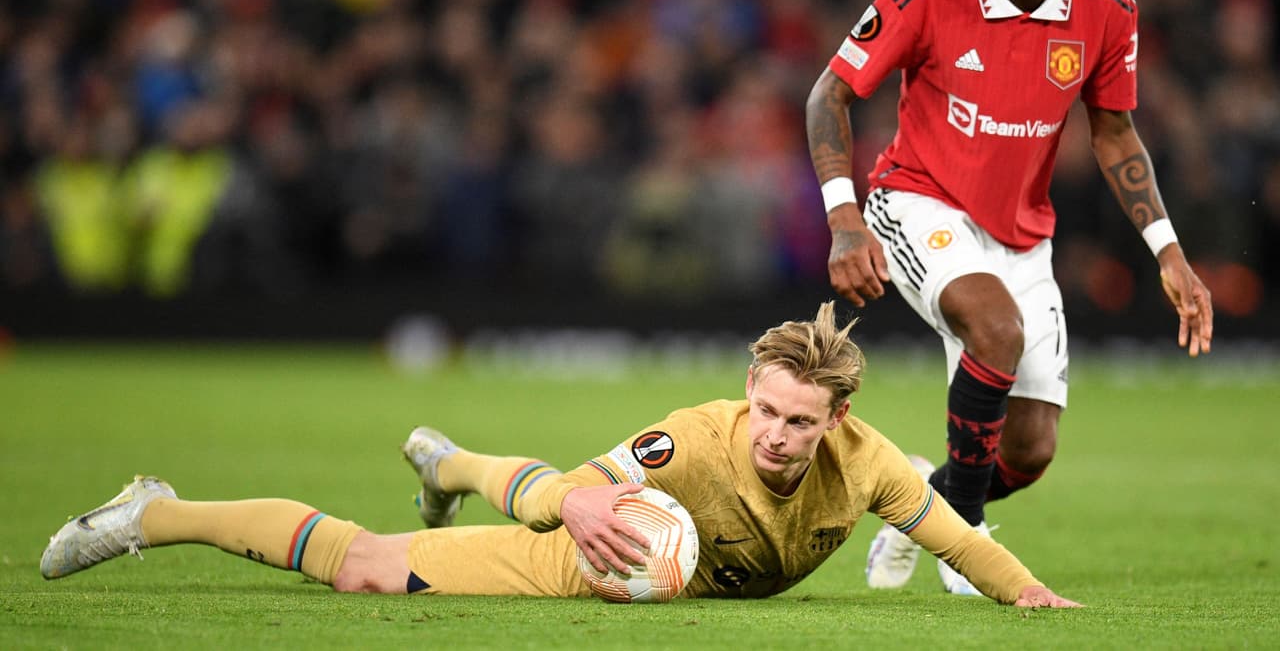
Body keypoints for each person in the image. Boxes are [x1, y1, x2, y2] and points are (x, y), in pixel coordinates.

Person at [41, 303, 1078, 607]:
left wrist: (1029, 595)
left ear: (835, 417)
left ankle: (446, 460)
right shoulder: (695, 434)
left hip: (663, 569)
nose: (774, 433)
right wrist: (585, 506)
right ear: (746, 394)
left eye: (799, 422)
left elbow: (957, 536)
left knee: (541, 494)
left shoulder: (871, 462)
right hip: (590, 562)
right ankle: (159, 510)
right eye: (765, 409)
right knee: (376, 562)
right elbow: (589, 481)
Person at [805, 0, 1215, 596]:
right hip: (917, 199)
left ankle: (916, 512)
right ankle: (965, 543)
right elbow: (827, 94)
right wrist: (845, 219)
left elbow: (1116, 132)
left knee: (1029, 452)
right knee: (994, 329)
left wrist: (1168, 251)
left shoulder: (1108, 7)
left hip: (1022, 233)